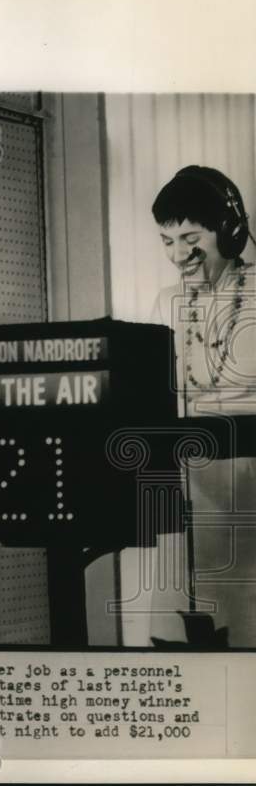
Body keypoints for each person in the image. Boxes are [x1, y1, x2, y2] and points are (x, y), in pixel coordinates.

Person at [149, 165, 256, 647]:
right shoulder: (165, 301)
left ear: (229, 232)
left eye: (190, 237)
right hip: (184, 484)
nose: (178, 255)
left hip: (245, 481)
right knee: (180, 636)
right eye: (167, 241)